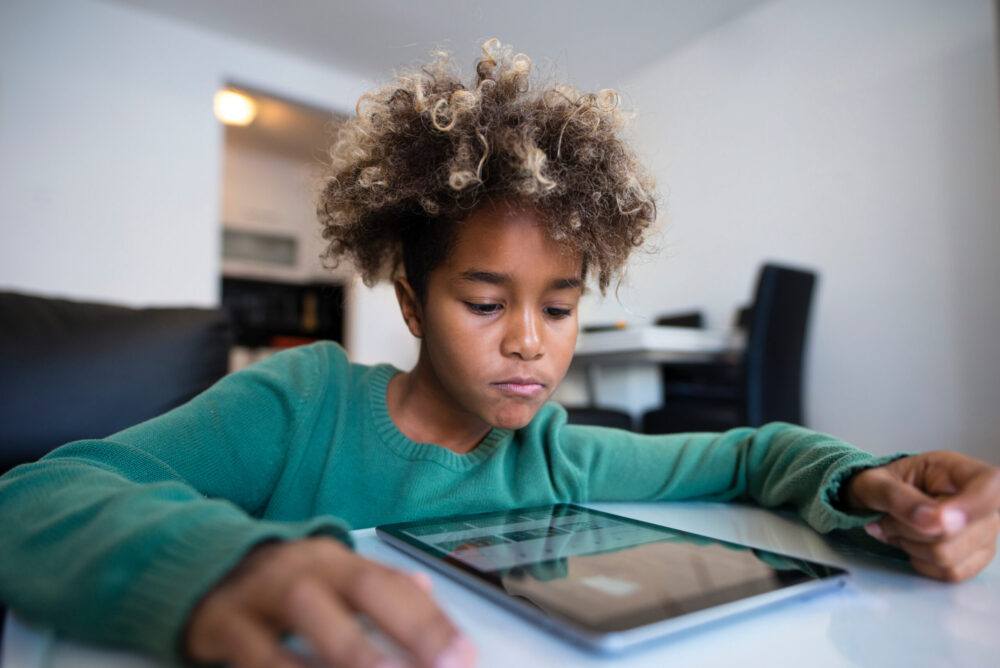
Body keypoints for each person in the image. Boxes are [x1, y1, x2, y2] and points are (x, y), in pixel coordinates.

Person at [1, 39, 998, 668]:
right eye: (485, 299)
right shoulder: (294, 405)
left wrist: (869, 481)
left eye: (560, 305)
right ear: (411, 301)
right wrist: (216, 567)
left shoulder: (553, 449)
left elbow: (747, 452)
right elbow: (39, 492)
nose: (529, 337)